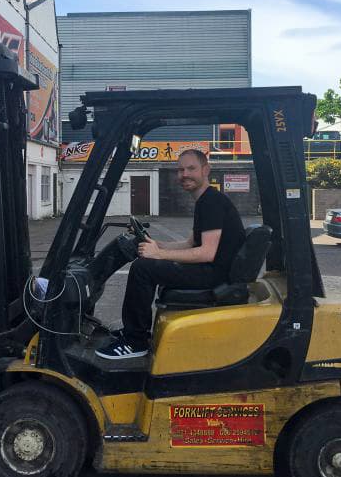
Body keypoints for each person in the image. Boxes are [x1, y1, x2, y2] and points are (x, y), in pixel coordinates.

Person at [96, 149, 246, 360]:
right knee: (148, 261)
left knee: (143, 269)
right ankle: (133, 332)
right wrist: (157, 244)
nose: (184, 174)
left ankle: (136, 341)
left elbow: (207, 253)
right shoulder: (205, 201)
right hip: (211, 269)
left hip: (215, 273)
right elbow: (189, 243)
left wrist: (159, 254)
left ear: (206, 170)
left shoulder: (212, 202)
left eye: (191, 168)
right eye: (180, 169)